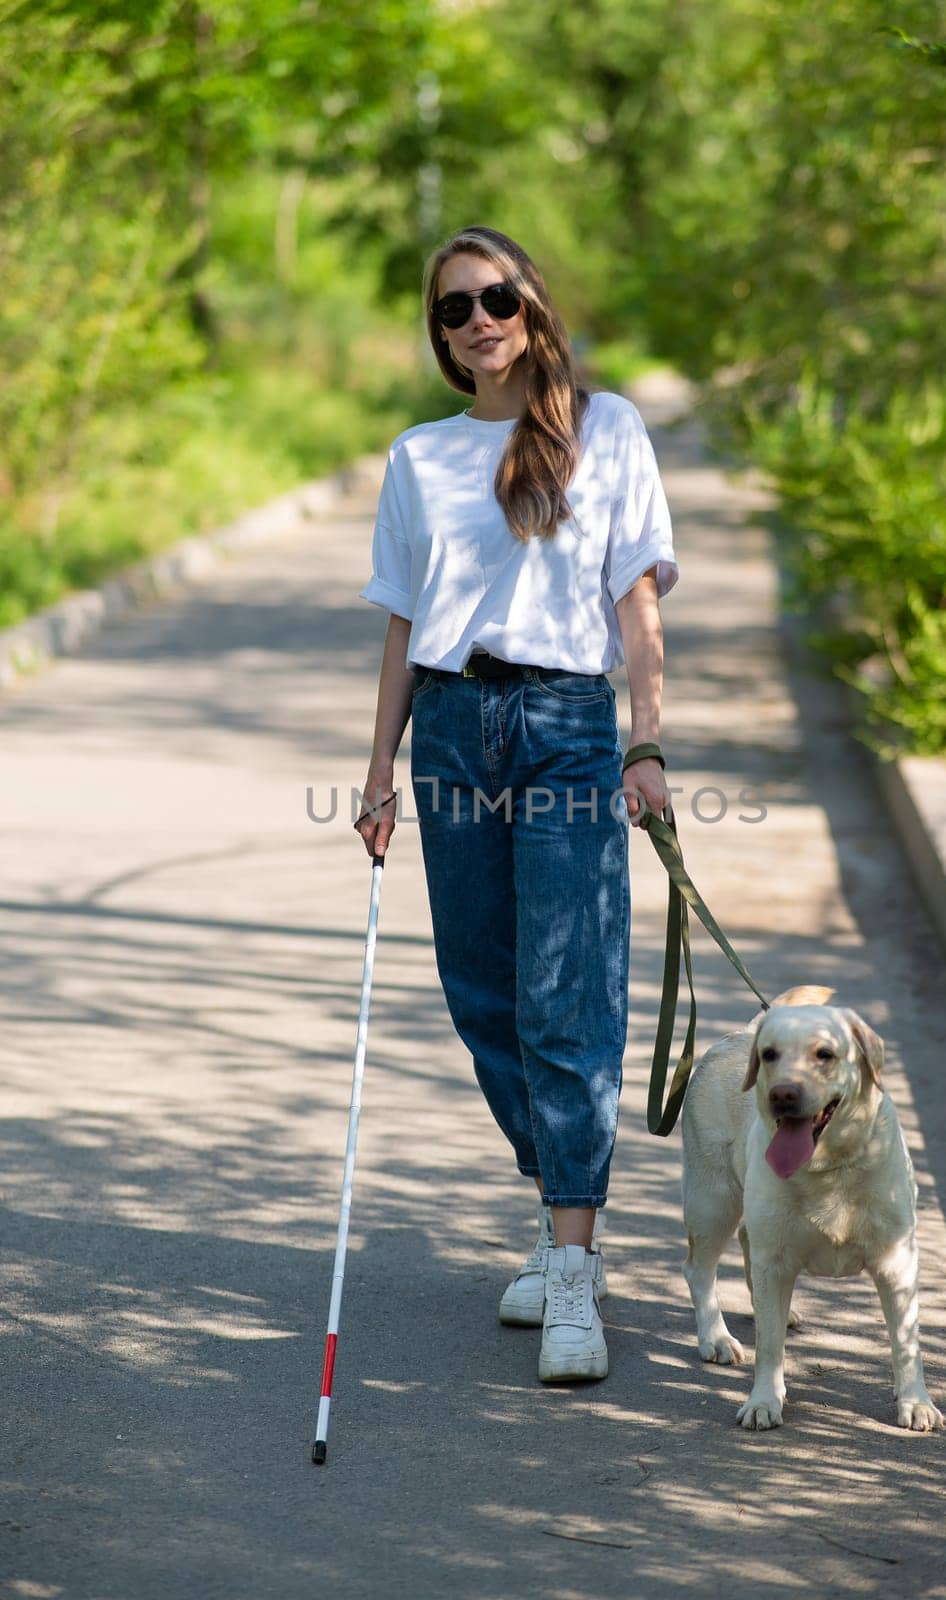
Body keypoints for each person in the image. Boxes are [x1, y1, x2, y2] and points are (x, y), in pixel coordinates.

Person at [355, 224, 677, 1384]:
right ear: (439, 335)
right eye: (453, 309)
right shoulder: (418, 454)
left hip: (565, 730)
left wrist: (646, 739)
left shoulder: (609, 430)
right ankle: (560, 1217)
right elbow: (402, 617)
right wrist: (379, 766)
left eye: (494, 296)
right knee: (481, 987)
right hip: (448, 729)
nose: (478, 319)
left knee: (568, 989)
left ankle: (576, 1272)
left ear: (531, 301)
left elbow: (636, 603)